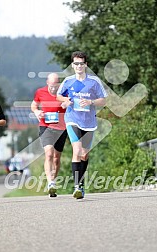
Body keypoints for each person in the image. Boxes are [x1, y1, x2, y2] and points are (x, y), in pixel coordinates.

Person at [57, 51, 107, 199]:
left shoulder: (93, 82)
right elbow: (59, 95)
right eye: (76, 63)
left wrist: (91, 102)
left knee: (84, 154)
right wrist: (65, 101)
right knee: (77, 150)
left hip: (89, 122)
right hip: (72, 118)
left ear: (86, 65)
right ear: (72, 65)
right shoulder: (68, 81)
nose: (79, 66)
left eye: (81, 63)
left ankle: (82, 184)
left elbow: (103, 100)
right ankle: (77, 187)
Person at [31, 73, 67, 197]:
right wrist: (37, 112)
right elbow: (34, 105)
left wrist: (66, 104)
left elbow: (71, 105)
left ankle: (53, 180)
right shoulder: (40, 92)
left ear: (59, 84)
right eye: (51, 85)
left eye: (55, 85)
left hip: (61, 128)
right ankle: (50, 182)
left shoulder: (64, 92)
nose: (53, 88)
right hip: (45, 126)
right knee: (49, 153)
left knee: (57, 158)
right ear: (47, 83)